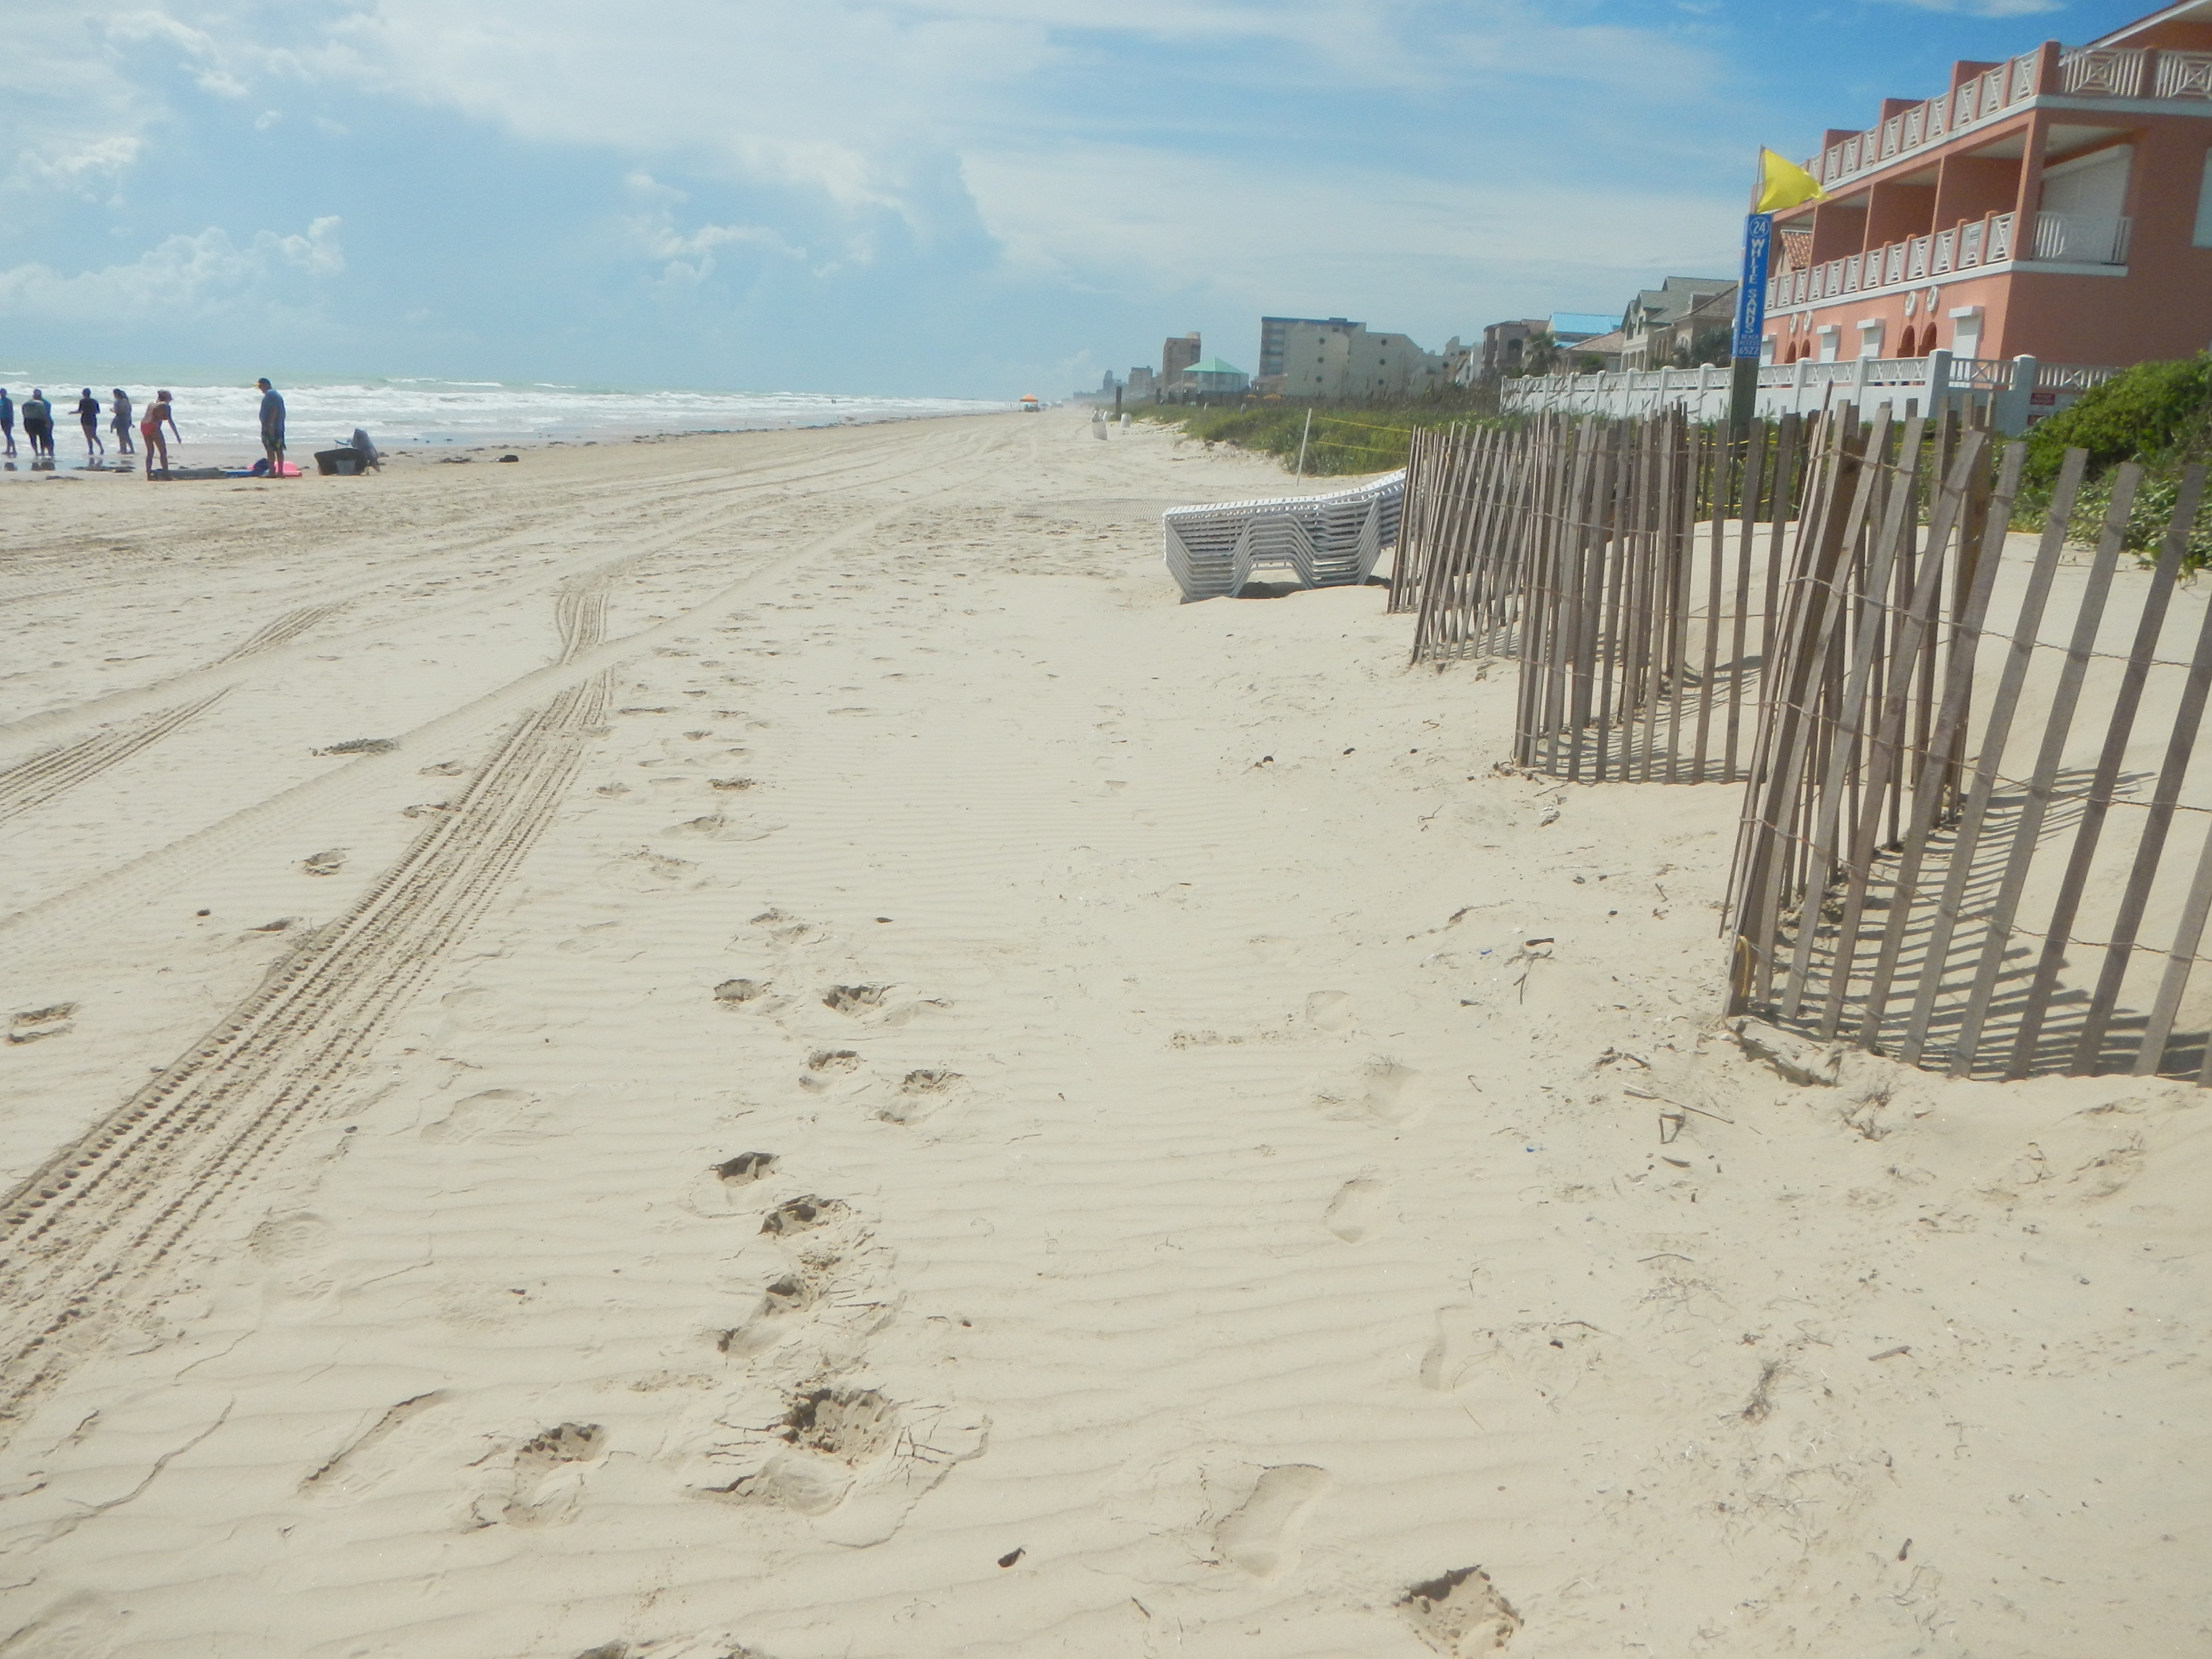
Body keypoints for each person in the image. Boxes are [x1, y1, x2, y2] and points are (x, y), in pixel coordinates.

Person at [141, 390, 179, 478]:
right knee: (163, 451)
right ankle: (166, 474)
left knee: (150, 452)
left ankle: (149, 474)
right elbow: (170, 421)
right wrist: (177, 435)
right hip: (153, 426)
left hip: (144, 426)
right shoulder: (165, 406)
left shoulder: (152, 404)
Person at [256, 377, 287, 476]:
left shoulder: (270, 394)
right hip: (278, 427)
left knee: (271, 449)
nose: (260, 389)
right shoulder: (275, 394)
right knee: (278, 449)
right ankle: (279, 472)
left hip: (272, 427)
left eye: (261, 386)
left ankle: (273, 472)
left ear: (266, 384)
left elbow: (274, 409)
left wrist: (270, 425)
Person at [22, 389, 54, 461]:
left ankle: (37, 452)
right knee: (42, 437)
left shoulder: (26, 403)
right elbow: (45, 414)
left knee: (33, 438)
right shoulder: (42, 403)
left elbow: (24, 414)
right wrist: (47, 422)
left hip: (29, 421)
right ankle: (42, 452)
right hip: (39, 421)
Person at [77, 389, 105, 462]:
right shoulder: (94, 401)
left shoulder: (82, 401)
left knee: (88, 436)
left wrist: (72, 413)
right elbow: (98, 411)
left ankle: (91, 450)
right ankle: (100, 448)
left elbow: (80, 411)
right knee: (93, 435)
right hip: (92, 418)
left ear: (84, 394)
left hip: (85, 418)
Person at [110, 389, 134, 456]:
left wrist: (112, 410)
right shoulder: (126, 402)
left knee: (121, 435)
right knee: (126, 434)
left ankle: (123, 449)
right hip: (127, 418)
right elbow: (130, 411)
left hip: (120, 418)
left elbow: (117, 411)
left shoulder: (117, 402)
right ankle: (130, 449)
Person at [0, 388, 14, 459]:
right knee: (7, 434)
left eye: (3, 393)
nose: (2, 394)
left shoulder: (8, 401)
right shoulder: (0, 401)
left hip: (8, 419)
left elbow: (11, 411)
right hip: (2, 419)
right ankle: (9, 449)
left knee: (8, 434)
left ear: (5, 393)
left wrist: (12, 420)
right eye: (1, 393)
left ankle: (13, 449)